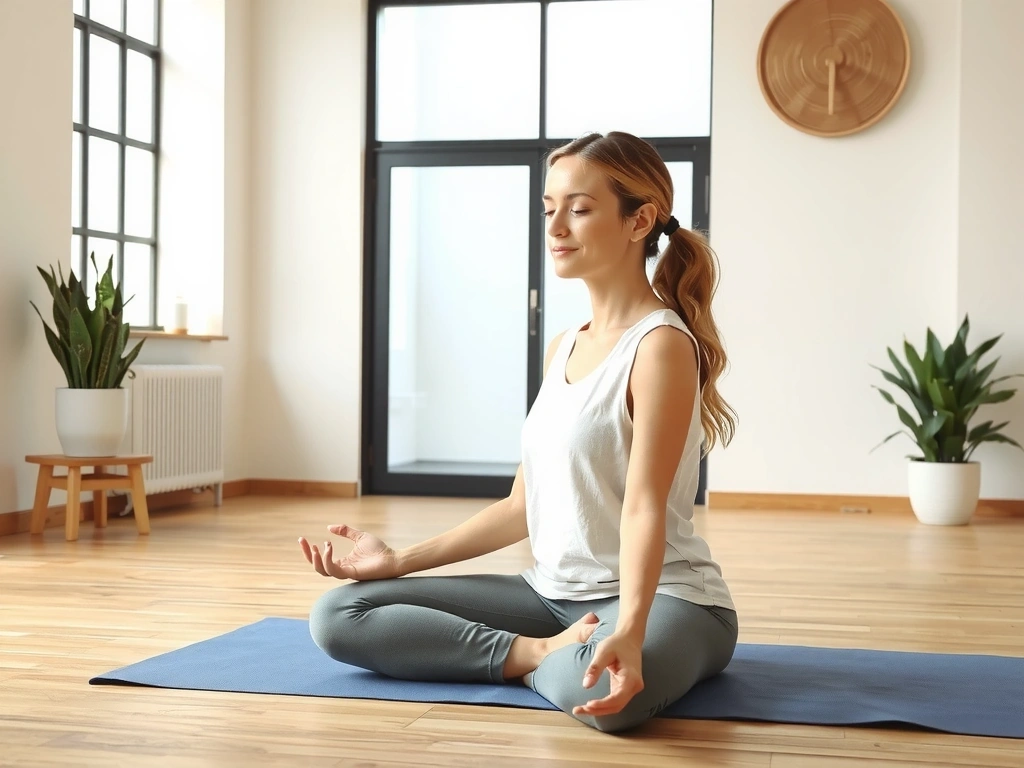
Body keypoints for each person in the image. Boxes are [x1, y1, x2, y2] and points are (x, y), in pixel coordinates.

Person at [298, 131, 739, 734]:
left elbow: (643, 508)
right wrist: (399, 560)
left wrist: (630, 631)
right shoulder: (564, 346)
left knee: (609, 703)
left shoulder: (660, 346)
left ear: (640, 220)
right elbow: (520, 507)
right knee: (340, 614)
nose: (556, 226)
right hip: (547, 595)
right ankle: (534, 655)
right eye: (549, 209)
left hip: (671, 600)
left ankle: (551, 657)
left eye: (579, 209)